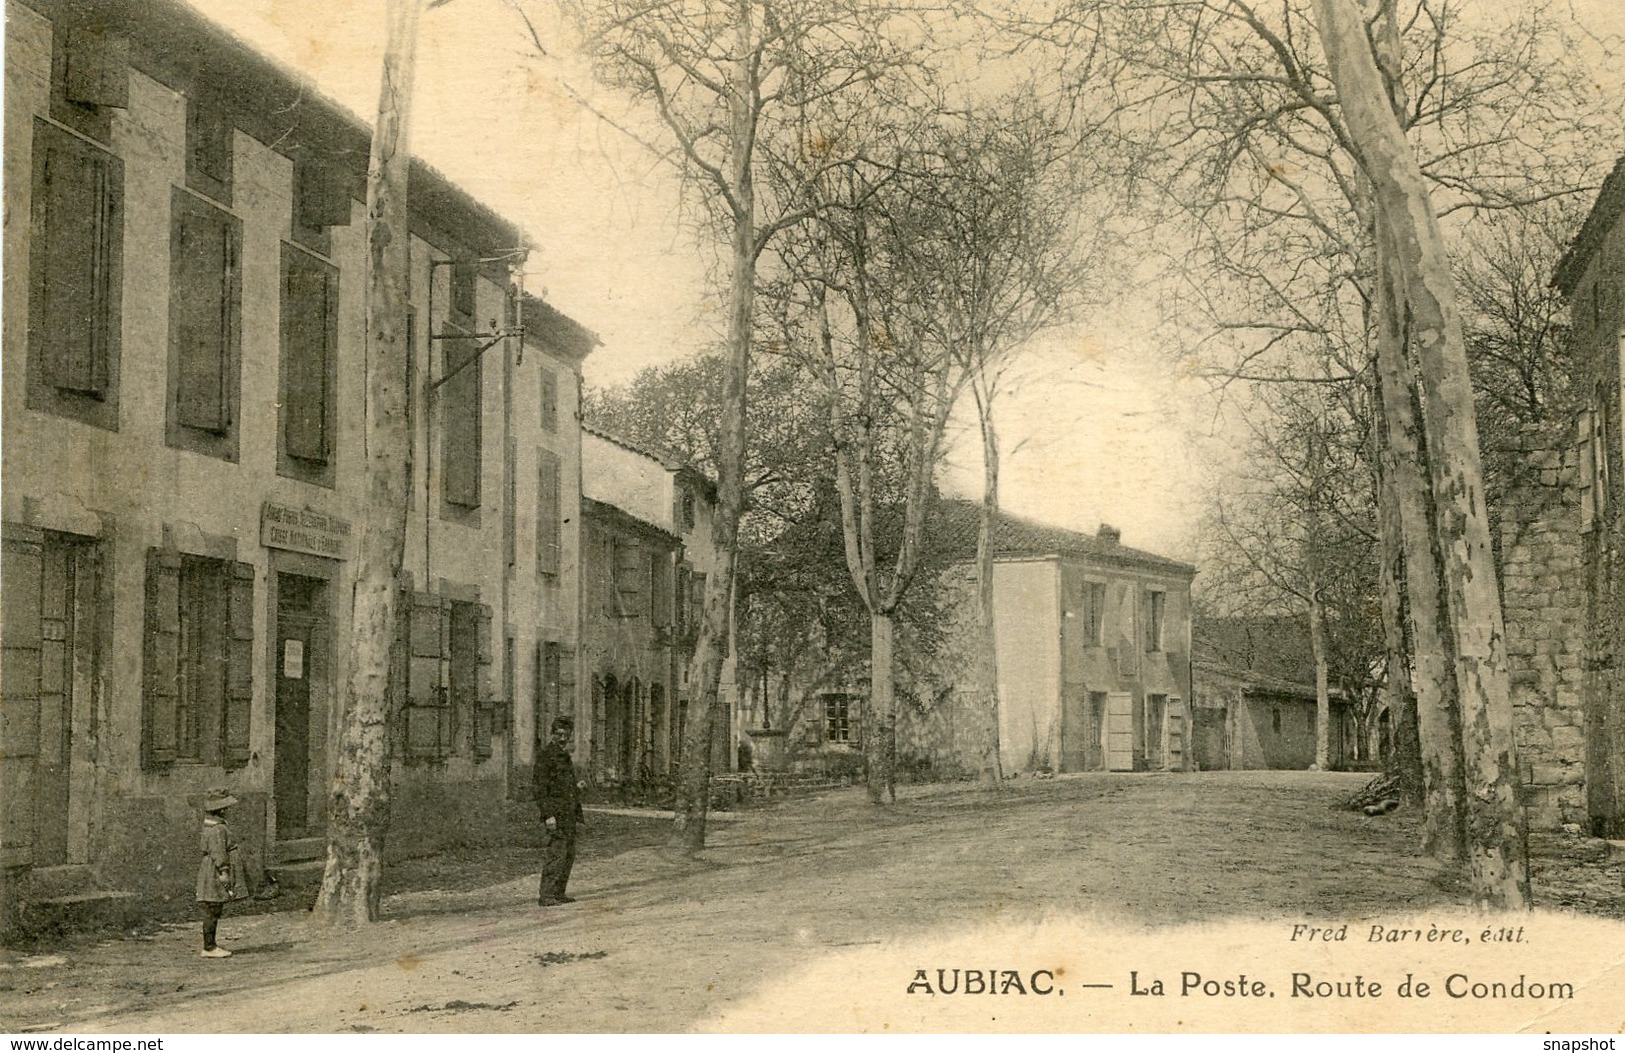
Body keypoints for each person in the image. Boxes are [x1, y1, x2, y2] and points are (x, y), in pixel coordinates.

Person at [534, 715, 584, 906]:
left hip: (569, 812)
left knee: (568, 853)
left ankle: (558, 892)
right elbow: (540, 789)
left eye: (566, 735)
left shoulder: (563, 755)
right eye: (559, 734)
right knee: (557, 852)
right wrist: (548, 816)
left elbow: (561, 785)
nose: (563, 738)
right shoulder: (546, 756)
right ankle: (546, 895)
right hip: (556, 814)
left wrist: (576, 786)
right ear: (552, 734)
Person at [196, 789, 239, 958]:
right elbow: (219, 852)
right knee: (212, 908)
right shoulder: (217, 829)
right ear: (221, 810)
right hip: (213, 872)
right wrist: (224, 871)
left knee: (212, 907)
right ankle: (209, 947)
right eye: (225, 808)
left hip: (209, 870)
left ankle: (210, 945)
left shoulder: (210, 826)